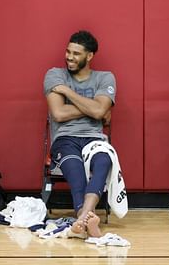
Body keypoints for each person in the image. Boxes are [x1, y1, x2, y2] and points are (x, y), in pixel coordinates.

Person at [43, 30, 118, 238]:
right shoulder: (54, 75)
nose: (69, 57)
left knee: (104, 160)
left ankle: (82, 219)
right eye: (68, 51)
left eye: (76, 53)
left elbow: (98, 111)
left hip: (94, 139)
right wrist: (95, 107)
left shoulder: (105, 78)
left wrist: (67, 92)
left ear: (89, 56)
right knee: (75, 168)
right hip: (65, 138)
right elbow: (58, 113)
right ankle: (86, 217)